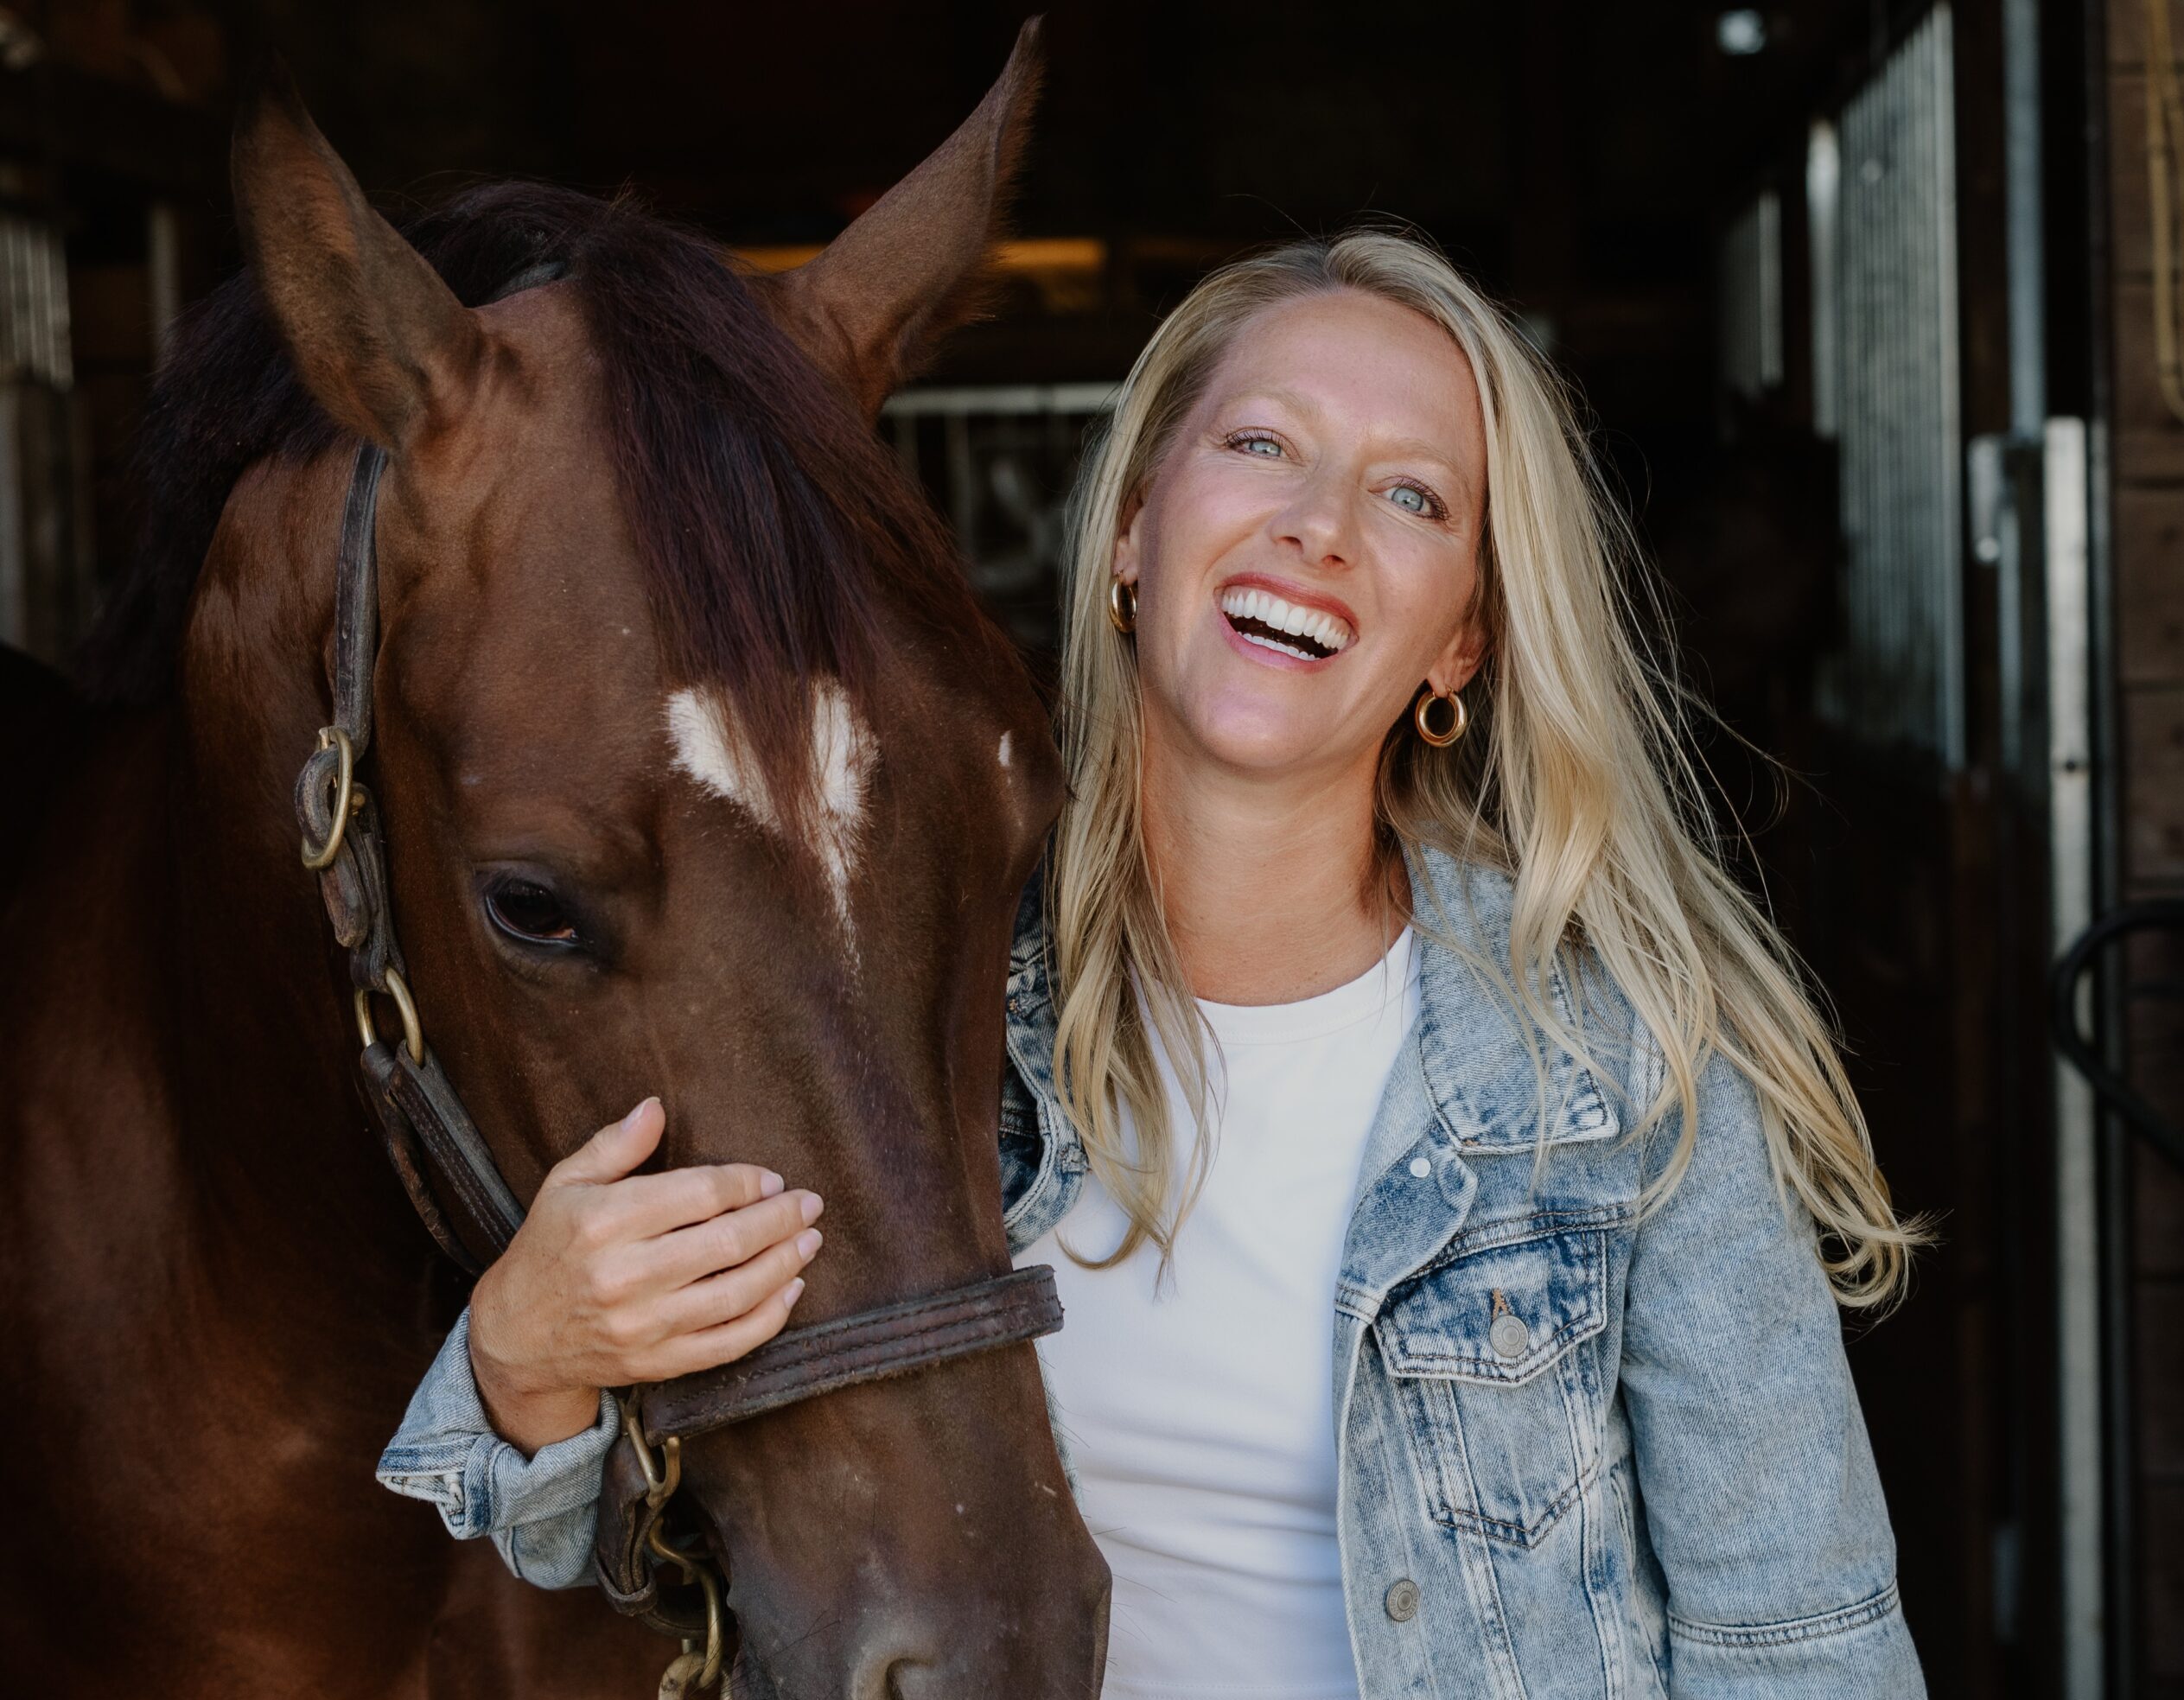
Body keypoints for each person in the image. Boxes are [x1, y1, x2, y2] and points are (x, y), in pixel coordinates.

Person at [379, 229, 1928, 1695]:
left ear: (1463, 642)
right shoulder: (898, 1001)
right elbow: (676, 1552)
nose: (1319, 524)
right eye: (1261, 443)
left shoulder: (1620, 1064)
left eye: (1413, 496)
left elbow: (1798, 1635)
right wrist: (522, 1362)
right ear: (1133, 531)